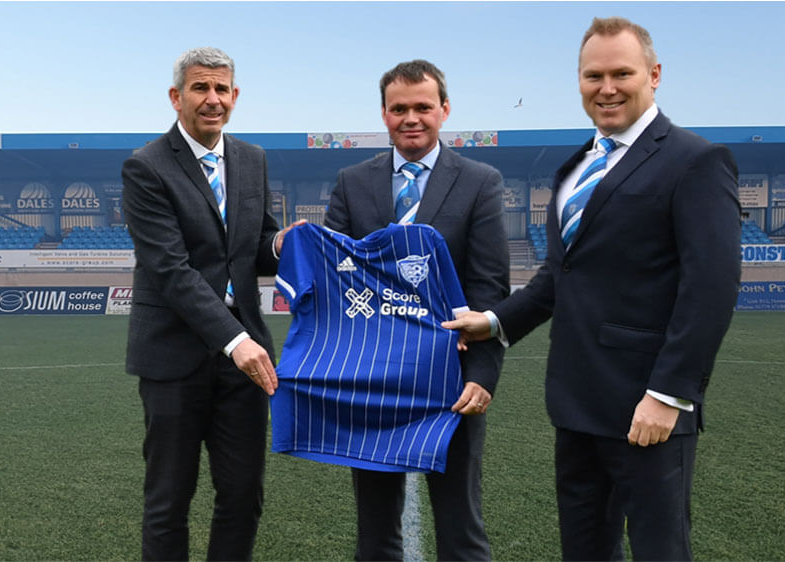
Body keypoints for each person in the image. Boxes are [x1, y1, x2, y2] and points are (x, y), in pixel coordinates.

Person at [444, 17, 741, 561]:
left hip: (647, 409)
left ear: (653, 75)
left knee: (659, 551)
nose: (607, 88)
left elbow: (712, 288)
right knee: (584, 552)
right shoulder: (574, 169)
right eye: (593, 75)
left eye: (621, 73)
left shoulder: (695, 161)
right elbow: (560, 276)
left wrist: (668, 394)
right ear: (579, 81)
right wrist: (494, 322)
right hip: (575, 405)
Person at [324, 59, 510, 561]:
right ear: (383, 114)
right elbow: (333, 278)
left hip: (450, 382)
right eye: (399, 108)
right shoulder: (351, 183)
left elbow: (490, 286)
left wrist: (483, 375)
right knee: (377, 531)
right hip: (374, 382)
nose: (412, 118)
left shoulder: (480, 181)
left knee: (460, 528)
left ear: (444, 110)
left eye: (423, 107)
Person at [122, 47, 298, 561]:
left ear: (235, 96)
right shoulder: (146, 166)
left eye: (222, 89)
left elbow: (255, 249)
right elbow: (171, 271)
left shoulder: (253, 159)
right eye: (200, 88)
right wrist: (234, 338)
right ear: (176, 97)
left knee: (243, 496)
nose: (212, 99)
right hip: (175, 357)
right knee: (169, 501)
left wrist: (283, 246)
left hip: (243, 362)